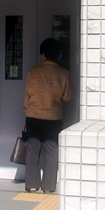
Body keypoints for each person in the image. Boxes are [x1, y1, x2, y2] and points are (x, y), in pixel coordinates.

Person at [23, 38, 72, 193]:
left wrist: (27, 108)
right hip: (53, 117)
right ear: (58, 55)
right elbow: (67, 97)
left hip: (33, 115)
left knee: (33, 150)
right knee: (51, 150)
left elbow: (27, 96)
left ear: (43, 55)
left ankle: (31, 184)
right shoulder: (63, 73)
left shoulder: (33, 72)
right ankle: (49, 186)